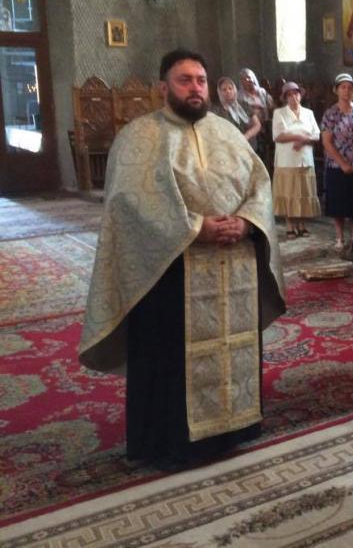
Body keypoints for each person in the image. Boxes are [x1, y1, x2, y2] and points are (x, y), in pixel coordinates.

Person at [79, 48, 286, 470]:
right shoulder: (139, 136)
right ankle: (171, 441)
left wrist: (247, 222)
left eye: (201, 80)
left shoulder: (227, 133)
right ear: (163, 87)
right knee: (170, 357)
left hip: (234, 265)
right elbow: (129, 204)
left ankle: (234, 428)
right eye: (185, 80)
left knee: (232, 347)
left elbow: (259, 185)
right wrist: (196, 227)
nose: (196, 88)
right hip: (170, 270)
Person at [321, 72, 353, 251]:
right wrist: (342, 163)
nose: (346, 90)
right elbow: (326, 141)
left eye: (350, 87)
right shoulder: (330, 114)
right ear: (336, 90)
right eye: (343, 87)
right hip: (336, 165)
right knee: (338, 202)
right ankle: (339, 237)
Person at [272, 81, 321, 238]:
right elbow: (278, 136)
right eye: (290, 95)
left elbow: (316, 134)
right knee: (289, 192)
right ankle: (289, 225)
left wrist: (305, 140)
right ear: (285, 98)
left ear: (300, 95)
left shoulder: (308, 113)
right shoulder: (279, 113)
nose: (293, 97)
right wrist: (298, 136)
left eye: (296, 93)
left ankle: (301, 225)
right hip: (287, 160)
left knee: (303, 192)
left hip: (305, 158)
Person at [212, 76, 261, 149]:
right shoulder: (217, 111)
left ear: (234, 89)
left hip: (249, 145)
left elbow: (257, 125)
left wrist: (246, 136)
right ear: (220, 92)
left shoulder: (244, 105)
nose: (228, 91)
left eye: (230, 88)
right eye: (224, 90)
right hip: (230, 147)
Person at [238, 67, 274, 163]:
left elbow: (270, 106)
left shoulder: (262, 92)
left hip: (265, 126)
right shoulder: (240, 96)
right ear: (241, 82)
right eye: (245, 79)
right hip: (251, 127)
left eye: (249, 77)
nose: (248, 80)